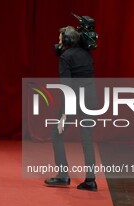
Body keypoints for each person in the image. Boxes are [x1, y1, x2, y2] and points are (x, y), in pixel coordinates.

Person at [44, 26, 98, 191]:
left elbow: (66, 87)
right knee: (87, 140)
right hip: (90, 100)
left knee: (56, 134)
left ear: (66, 40)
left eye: (60, 38)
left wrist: (64, 115)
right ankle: (90, 181)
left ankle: (63, 175)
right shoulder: (85, 53)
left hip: (74, 102)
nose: (58, 41)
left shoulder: (66, 57)